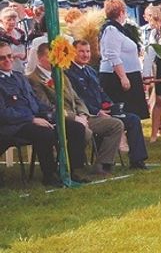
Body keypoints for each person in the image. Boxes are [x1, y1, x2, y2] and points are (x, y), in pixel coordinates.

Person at [29, 42, 124, 177]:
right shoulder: (34, 79)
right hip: (61, 120)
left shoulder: (61, 74)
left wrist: (83, 114)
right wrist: (74, 117)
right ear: (40, 58)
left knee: (115, 125)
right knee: (82, 132)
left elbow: (77, 99)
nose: (56, 59)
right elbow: (45, 105)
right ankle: (75, 166)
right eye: (51, 56)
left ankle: (102, 163)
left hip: (81, 116)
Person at [0, 41, 88, 186]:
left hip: (34, 119)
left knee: (75, 127)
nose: (8, 60)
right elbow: (4, 113)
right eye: (2, 58)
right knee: (45, 133)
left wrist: (53, 113)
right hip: (15, 126)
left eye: (9, 56)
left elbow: (33, 101)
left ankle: (72, 171)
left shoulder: (19, 77)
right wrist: (31, 119)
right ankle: (50, 175)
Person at [67, 40, 149, 170]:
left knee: (133, 119)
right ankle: (104, 163)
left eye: (87, 51)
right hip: (88, 114)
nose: (85, 55)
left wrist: (111, 105)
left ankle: (137, 160)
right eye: (81, 51)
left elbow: (101, 92)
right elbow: (77, 99)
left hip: (104, 111)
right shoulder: (68, 73)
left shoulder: (90, 71)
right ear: (73, 53)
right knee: (114, 124)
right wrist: (97, 111)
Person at [98, 0, 148, 119]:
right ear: (121, 13)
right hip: (118, 77)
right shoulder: (111, 29)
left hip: (129, 74)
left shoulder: (120, 30)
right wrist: (123, 77)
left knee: (133, 112)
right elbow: (112, 55)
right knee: (123, 112)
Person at [141, 5, 161, 142]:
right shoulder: (155, 33)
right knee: (159, 100)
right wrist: (146, 74)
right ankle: (154, 134)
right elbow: (150, 53)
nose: (151, 22)